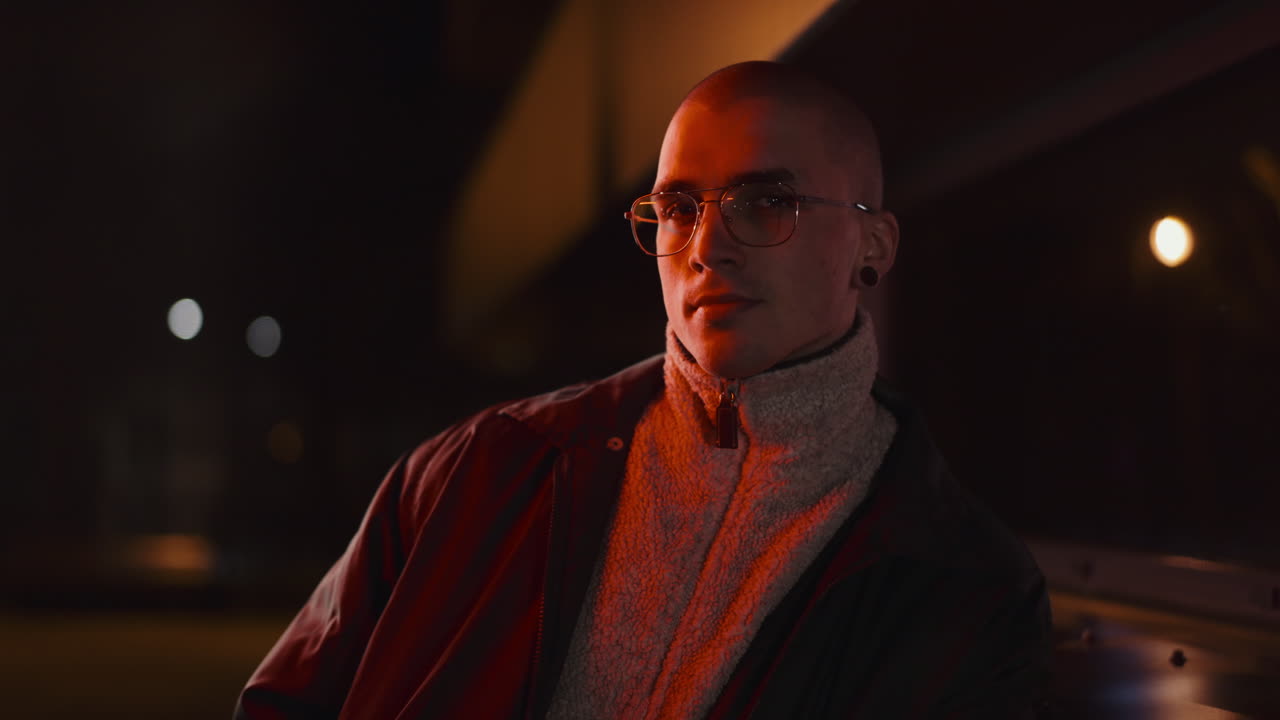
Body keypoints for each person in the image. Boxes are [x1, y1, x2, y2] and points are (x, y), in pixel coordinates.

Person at [235, 61, 1052, 719]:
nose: (707, 247)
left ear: (872, 245)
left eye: (768, 203)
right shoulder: (478, 470)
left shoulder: (964, 582)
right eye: (677, 207)